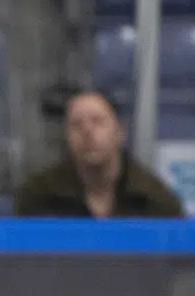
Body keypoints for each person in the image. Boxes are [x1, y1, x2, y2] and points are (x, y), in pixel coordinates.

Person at [14, 90, 183, 218]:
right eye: (76, 125)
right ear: (66, 137)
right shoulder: (37, 198)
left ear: (120, 132)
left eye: (98, 121)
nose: (87, 132)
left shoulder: (156, 200)